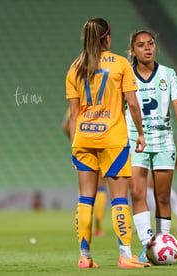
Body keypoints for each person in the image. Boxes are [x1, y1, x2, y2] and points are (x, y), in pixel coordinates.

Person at [65, 18, 150, 268]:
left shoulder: (75, 67)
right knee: (119, 199)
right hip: (113, 138)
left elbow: (73, 114)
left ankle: (85, 256)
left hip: (83, 138)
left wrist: (74, 147)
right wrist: (141, 134)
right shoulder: (121, 64)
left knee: (85, 199)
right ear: (108, 37)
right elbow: (133, 104)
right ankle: (125, 254)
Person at [126, 30, 177, 263]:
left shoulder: (168, 74)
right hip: (136, 139)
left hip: (164, 140)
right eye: (141, 45)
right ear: (133, 50)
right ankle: (147, 246)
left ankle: (162, 244)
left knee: (163, 196)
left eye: (151, 44)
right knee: (137, 192)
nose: (147, 48)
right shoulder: (127, 75)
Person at [62, 108, 107, 236]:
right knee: (100, 185)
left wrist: (76, 142)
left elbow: (66, 125)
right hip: (104, 140)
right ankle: (98, 227)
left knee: (85, 188)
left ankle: (85, 228)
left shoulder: (79, 99)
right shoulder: (105, 97)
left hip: (84, 143)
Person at [145, 160, 177, 234]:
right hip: (150, 158)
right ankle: (146, 223)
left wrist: (176, 160)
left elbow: (173, 148)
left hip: (160, 157)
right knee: (154, 189)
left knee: (161, 189)